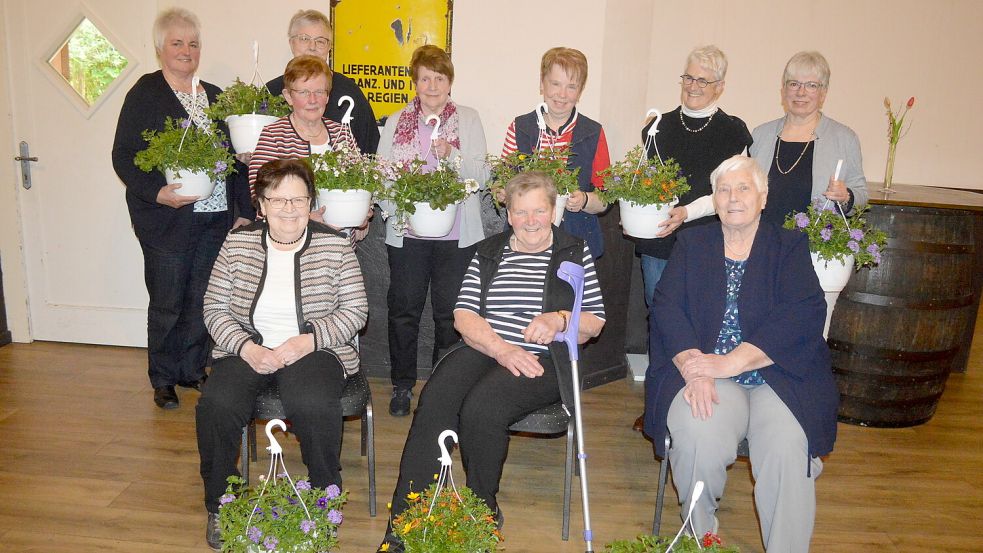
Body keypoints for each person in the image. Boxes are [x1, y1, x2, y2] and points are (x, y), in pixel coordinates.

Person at [378, 171, 605, 553]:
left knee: (483, 408)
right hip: (487, 347)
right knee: (435, 402)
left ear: (553, 211)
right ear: (509, 214)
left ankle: (481, 511)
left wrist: (559, 319)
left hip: (544, 358)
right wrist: (501, 349)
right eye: (521, 211)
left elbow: (594, 322)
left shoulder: (574, 250)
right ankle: (404, 523)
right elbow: (464, 317)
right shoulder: (489, 249)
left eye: (539, 210)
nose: (530, 220)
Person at [643, 156, 838, 552]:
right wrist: (694, 367)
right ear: (714, 201)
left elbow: (805, 312)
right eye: (724, 190)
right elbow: (666, 306)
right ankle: (701, 542)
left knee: (786, 449)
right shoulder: (693, 243)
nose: (733, 198)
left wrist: (731, 361)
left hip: (777, 374)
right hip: (708, 375)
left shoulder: (788, 245)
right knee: (698, 434)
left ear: (763, 198)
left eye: (743, 188)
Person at [196, 159, 367, 550]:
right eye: (278, 200)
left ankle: (325, 498)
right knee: (216, 405)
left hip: (314, 349)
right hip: (247, 347)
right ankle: (221, 504)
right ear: (261, 204)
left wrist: (307, 341)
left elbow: (356, 310)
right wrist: (245, 347)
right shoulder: (236, 243)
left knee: (311, 401)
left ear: (311, 202)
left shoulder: (335, 245)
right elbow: (214, 307)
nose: (289, 209)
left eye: (298, 199)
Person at [111, 7, 253, 410]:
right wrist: (157, 192)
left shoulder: (215, 96)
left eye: (193, 43)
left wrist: (241, 208)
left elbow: (236, 160)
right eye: (177, 43)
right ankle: (163, 378)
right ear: (160, 49)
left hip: (215, 218)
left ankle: (193, 370)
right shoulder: (146, 93)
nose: (186, 50)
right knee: (168, 300)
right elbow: (124, 155)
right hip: (168, 220)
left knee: (202, 299)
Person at [631, 45, 752, 432]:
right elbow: (644, 181)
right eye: (688, 77)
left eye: (703, 79)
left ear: (719, 87)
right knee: (662, 318)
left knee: (701, 320)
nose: (693, 85)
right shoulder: (658, 126)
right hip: (661, 240)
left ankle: (702, 395)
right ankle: (658, 401)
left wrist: (686, 213)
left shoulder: (733, 131)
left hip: (705, 242)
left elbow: (727, 190)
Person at [376, 44, 490, 416]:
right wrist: (398, 202)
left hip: (457, 236)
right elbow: (380, 178)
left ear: (449, 82)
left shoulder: (468, 119)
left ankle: (445, 387)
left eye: (439, 78)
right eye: (424, 78)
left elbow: (483, 176)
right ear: (414, 82)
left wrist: (452, 155)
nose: (432, 85)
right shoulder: (395, 122)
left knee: (449, 313)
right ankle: (402, 385)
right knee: (403, 310)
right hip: (407, 234)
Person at [502, 47, 610, 258]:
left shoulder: (593, 133)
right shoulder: (520, 127)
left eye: (571, 86)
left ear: (580, 91)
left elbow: (605, 199)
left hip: (577, 244)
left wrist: (585, 200)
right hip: (525, 242)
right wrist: (502, 192)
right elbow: (503, 184)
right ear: (542, 84)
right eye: (555, 84)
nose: (562, 94)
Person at [750, 51, 868, 226]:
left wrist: (846, 196)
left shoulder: (844, 138)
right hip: (763, 242)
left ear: (823, 93)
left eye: (811, 85)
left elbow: (862, 196)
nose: (801, 92)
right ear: (783, 90)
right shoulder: (760, 135)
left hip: (814, 247)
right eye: (794, 84)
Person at [266, 9, 379, 155]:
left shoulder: (350, 93)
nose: (312, 47)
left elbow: (369, 151)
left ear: (329, 47)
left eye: (320, 41)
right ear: (291, 43)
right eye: (304, 39)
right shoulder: (271, 92)